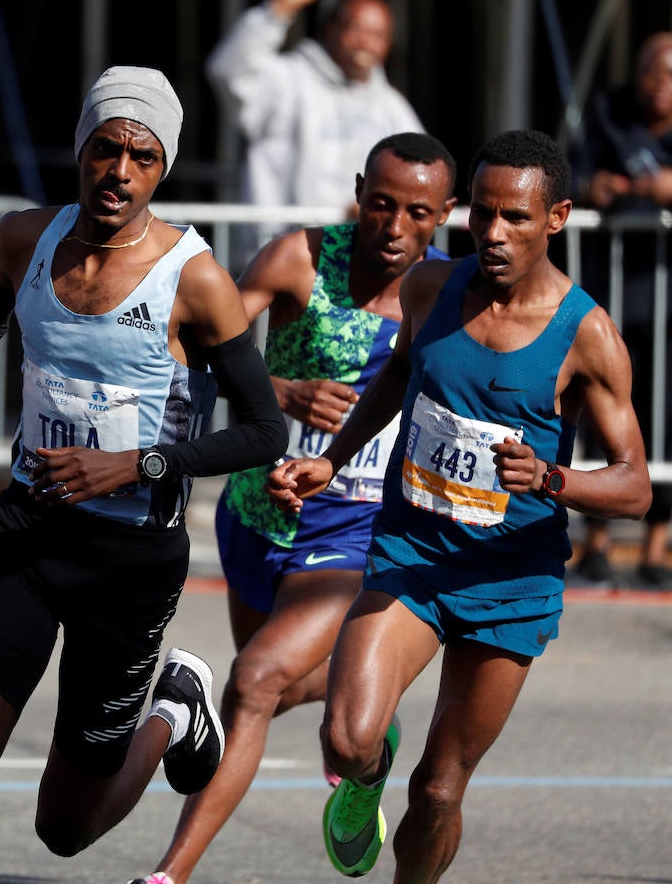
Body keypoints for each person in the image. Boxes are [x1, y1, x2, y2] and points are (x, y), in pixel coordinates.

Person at [0, 66, 287, 883]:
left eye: (142, 158)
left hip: (131, 562)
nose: (120, 172)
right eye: (106, 150)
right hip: (28, 536)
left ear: (163, 167)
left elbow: (262, 431)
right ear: (81, 148)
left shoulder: (196, 280)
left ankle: (174, 715)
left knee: (64, 829)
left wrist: (135, 464)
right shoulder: (22, 240)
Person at [267, 129, 651, 879]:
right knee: (347, 740)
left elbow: (635, 484)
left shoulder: (589, 336)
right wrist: (333, 457)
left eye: (515, 217)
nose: (494, 234)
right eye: (481, 214)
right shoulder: (430, 289)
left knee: (440, 788)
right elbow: (398, 374)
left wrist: (550, 478)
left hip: (510, 578)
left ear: (559, 217)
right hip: (413, 553)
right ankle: (369, 771)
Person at [127, 132, 457, 884]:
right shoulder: (298, 260)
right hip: (259, 512)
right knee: (274, 685)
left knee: (253, 683)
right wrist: (284, 392)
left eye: (417, 213)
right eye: (380, 204)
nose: (395, 227)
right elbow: (198, 346)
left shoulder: (451, 292)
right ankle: (367, 729)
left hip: (360, 530)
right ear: (357, 192)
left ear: (445, 215)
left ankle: (169, 874)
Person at [206, 0, 422, 264]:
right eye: (355, 29)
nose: (365, 43)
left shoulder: (391, 107)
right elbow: (229, 69)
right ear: (331, 29)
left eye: (378, 35)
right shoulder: (289, 79)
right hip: (281, 260)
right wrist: (282, 7)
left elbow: (420, 175)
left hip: (354, 265)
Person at [570, 30, 672, 588]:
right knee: (598, 418)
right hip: (614, 297)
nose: (662, 83)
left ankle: (657, 550)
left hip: (667, 309)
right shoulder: (610, 113)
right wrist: (594, 188)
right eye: (653, 69)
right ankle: (596, 543)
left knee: (663, 425)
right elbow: (572, 175)